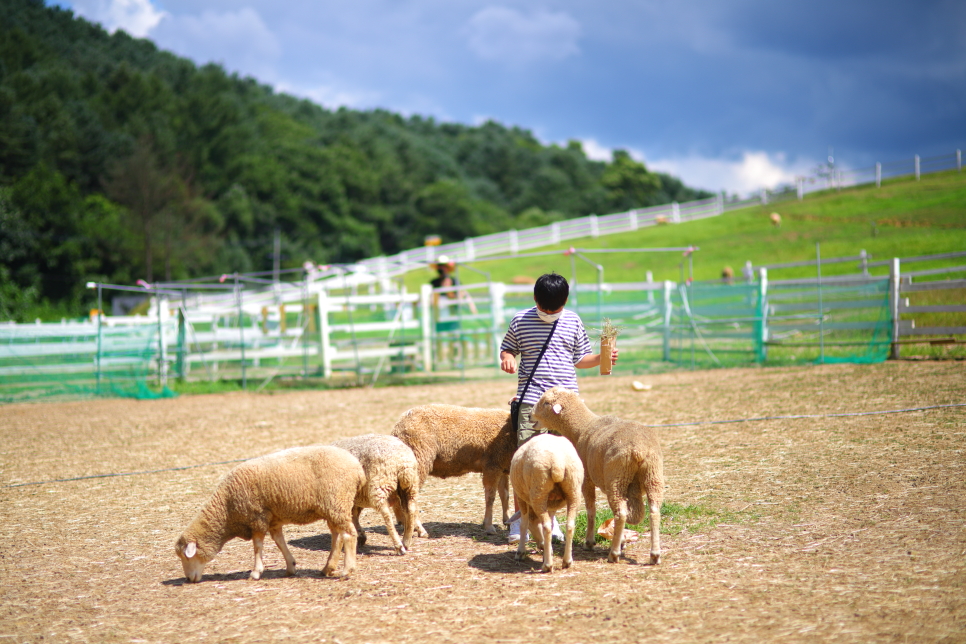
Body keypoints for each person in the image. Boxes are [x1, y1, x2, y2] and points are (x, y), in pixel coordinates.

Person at [499, 272, 619, 544]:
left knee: (563, 465)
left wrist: (602, 357)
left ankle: (551, 522)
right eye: (544, 308)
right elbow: (507, 349)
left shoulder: (573, 321)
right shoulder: (520, 320)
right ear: (534, 300)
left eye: (556, 308)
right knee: (525, 463)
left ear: (566, 301)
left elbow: (581, 359)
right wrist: (507, 359)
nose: (550, 312)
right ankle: (521, 525)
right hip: (532, 401)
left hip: (567, 407)